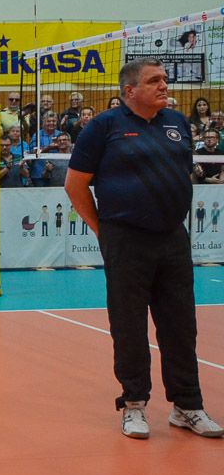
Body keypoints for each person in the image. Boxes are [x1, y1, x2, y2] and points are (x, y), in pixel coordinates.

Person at [65, 57, 223, 439]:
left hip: (173, 238)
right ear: (129, 90)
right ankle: (134, 404)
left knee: (181, 325)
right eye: (154, 80)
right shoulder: (104, 126)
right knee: (129, 325)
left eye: (164, 79)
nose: (164, 85)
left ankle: (187, 406)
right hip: (125, 239)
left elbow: (180, 173)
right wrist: (104, 231)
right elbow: (75, 184)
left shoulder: (177, 123)